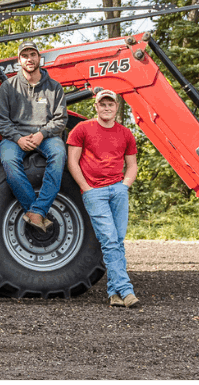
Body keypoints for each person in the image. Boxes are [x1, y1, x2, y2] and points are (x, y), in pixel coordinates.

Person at [66, 89, 139, 308]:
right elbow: (73, 162)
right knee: (109, 239)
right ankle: (126, 291)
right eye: (102, 104)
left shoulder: (125, 133)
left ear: (116, 107)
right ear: (96, 107)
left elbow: (132, 164)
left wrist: (124, 186)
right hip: (94, 192)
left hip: (117, 190)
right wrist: (86, 188)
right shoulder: (82, 129)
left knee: (116, 241)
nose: (107, 108)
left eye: (111, 104)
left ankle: (113, 294)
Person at [0, 40, 68, 231]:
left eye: (32, 54)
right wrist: (18, 137)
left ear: (39, 58)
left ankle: (38, 209)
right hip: (15, 138)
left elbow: (61, 119)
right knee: (8, 159)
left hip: (45, 136)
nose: (29, 59)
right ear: (19, 60)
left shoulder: (54, 87)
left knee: (59, 154)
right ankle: (35, 211)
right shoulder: (8, 87)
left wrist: (42, 134)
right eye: (25, 55)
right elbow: (1, 120)